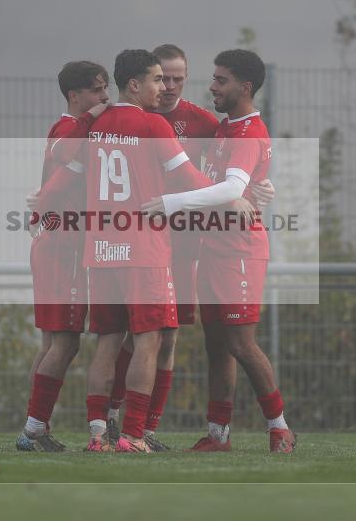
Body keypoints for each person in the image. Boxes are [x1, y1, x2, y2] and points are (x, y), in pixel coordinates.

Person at [30, 49, 213, 453]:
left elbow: (63, 166)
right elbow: (188, 177)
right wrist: (231, 195)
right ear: (134, 84)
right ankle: (132, 435)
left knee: (108, 342)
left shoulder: (94, 126)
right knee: (150, 340)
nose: (163, 88)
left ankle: (97, 435)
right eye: (156, 80)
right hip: (144, 250)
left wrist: (41, 203)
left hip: (101, 251)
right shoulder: (153, 125)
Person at [105, 44, 275, 451]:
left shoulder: (204, 123)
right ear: (146, 79)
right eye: (162, 77)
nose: (169, 86)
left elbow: (227, 172)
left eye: (179, 79)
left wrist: (257, 189)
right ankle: (108, 421)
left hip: (185, 245)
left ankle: (142, 428)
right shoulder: (123, 118)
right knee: (122, 334)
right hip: (134, 237)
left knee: (166, 336)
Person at [143, 49, 296, 453]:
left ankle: (280, 428)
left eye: (221, 80)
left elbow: (230, 189)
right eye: (213, 78)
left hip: (239, 250)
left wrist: (169, 203)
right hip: (213, 246)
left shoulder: (247, 132)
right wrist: (261, 187)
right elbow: (236, 184)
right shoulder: (226, 128)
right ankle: (218, 436)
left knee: (241, 343)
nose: (212, 86)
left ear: (244, 87)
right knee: (216, 343)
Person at [15, 61, 109, 452]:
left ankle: (37, 427)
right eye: (97, 89)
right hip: (66, 246)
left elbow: (47, 181)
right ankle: (33, 431)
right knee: (66, 344)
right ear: (75, 95)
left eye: (106, 88)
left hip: (51, 242)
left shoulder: (59, 129)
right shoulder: (73, 129)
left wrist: (38, 211)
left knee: (51, 342)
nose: (105, 97)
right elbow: (63, 174)